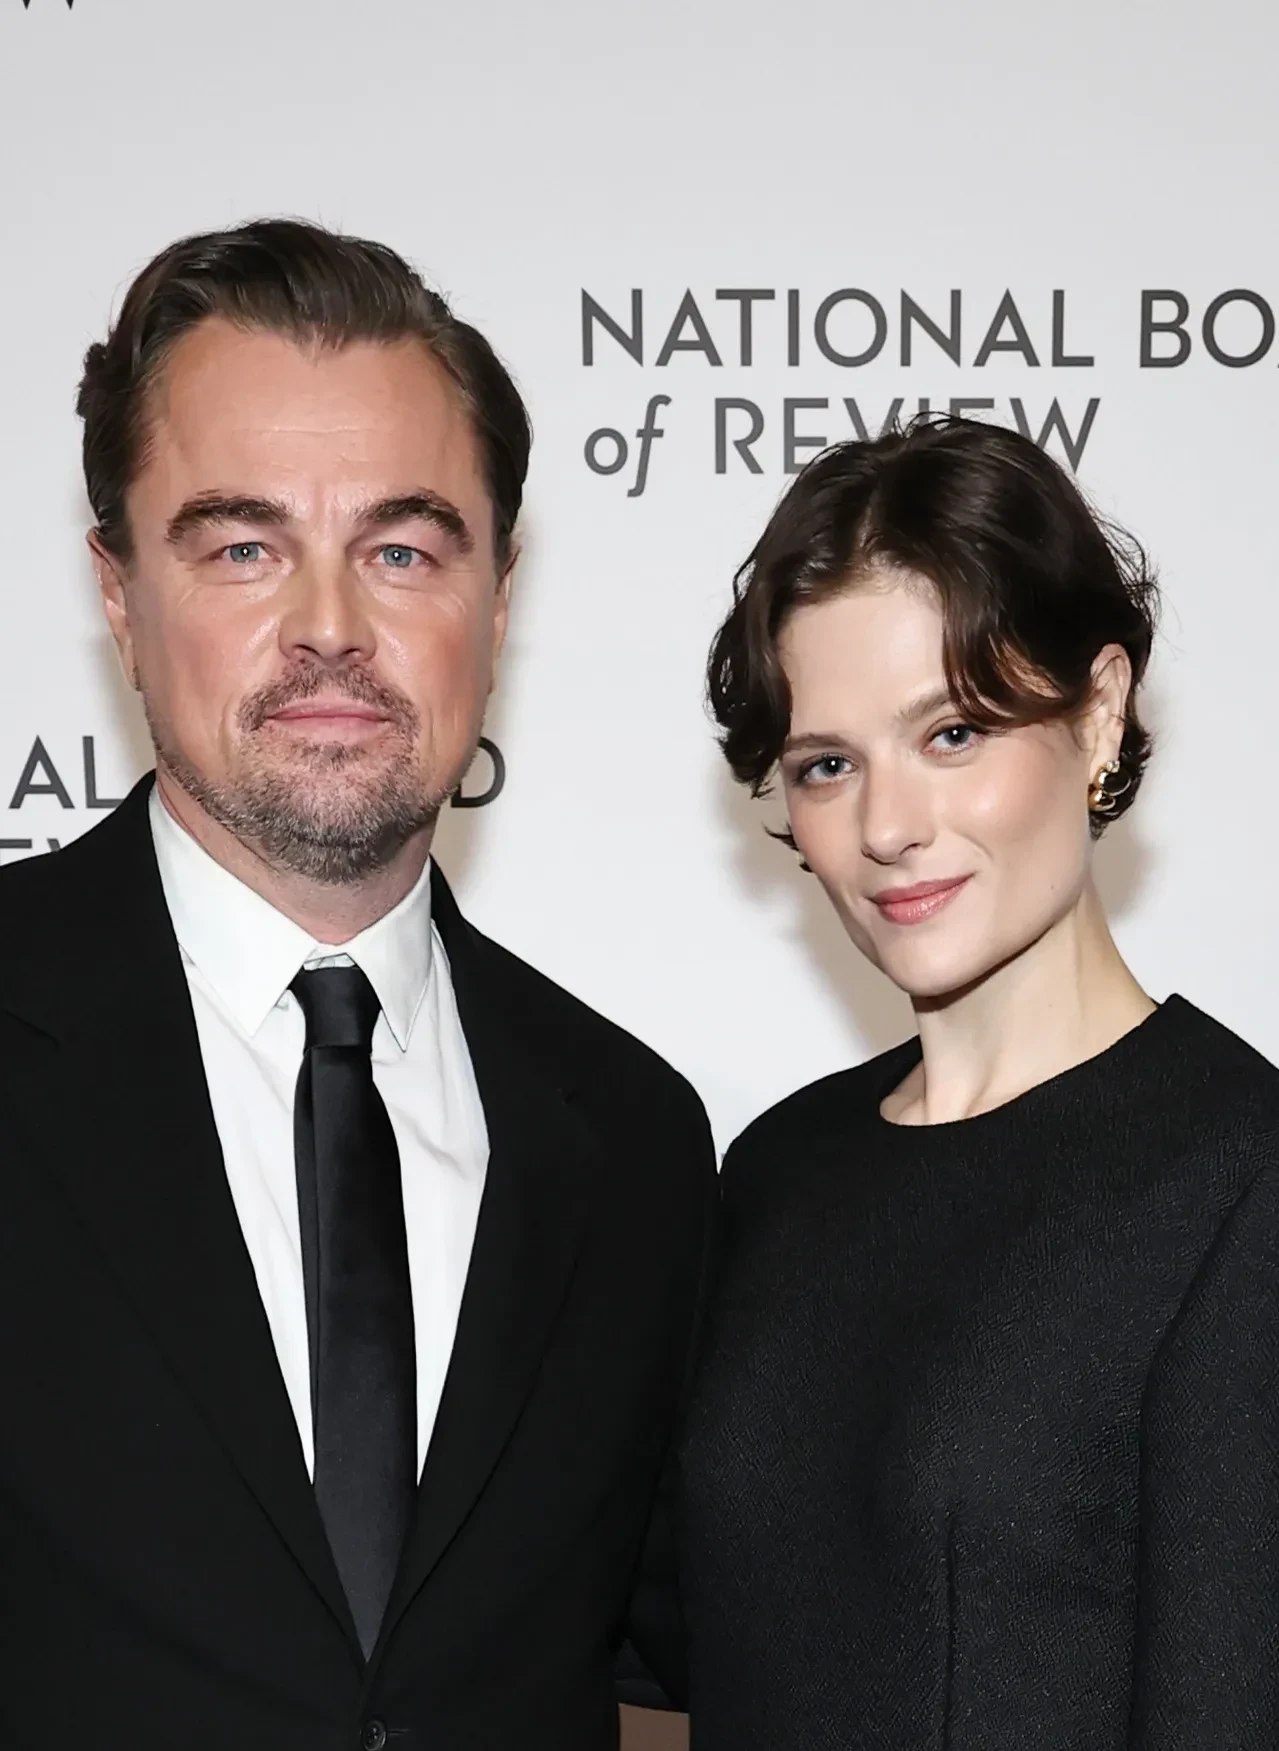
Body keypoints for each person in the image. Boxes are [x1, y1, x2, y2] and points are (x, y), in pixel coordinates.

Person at [0, 219, 714, 1750]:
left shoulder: (638, 1140)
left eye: (401, 549)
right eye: (243, 547)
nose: (329, 627)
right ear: (119, 595)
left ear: (497, 600)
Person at [680, 416, 1279, 1750]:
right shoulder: (779, 1170)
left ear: (1098, 711)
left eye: (951, 731)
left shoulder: (1240, 1184)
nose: (886, 827)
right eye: (828, 764)